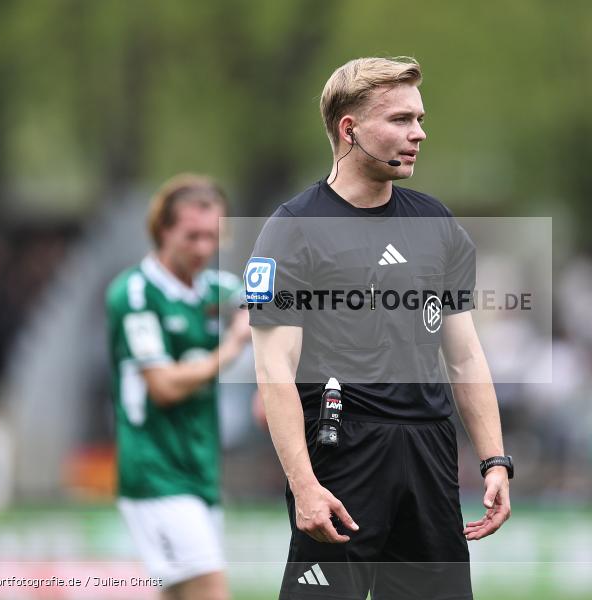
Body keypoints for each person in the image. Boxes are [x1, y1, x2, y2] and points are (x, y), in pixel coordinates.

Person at [248, 57, 512, 600]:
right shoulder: (292, 230)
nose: (419, 133)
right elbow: (274, 368)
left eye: (418, 118)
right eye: (399, 119)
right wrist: (303, 486)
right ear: (350, 129)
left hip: (430, 454)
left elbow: (463, 354)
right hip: (342, 455)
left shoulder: (437, 223)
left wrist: (494, 459)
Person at [105, 173, 252, 600]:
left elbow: (265, 303)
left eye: (212, 236)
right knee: (210, 589)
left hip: (200, 471)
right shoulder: (135, 294)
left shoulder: (213, 289)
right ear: (163, 230)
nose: (205, 248)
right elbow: (164, 386)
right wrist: (232, 347)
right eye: (193, 236)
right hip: (155, 472)